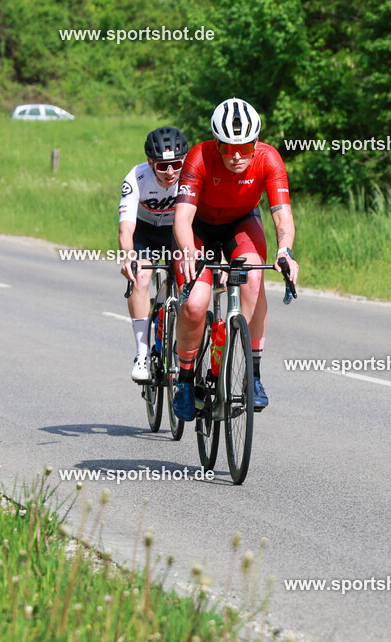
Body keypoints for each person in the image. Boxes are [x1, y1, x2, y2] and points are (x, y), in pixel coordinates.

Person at [171, 98, 299, 420]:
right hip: (198, 229)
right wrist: (188, 251)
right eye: (228, 149)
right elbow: (182, 218)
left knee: (254, 279)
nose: (237, 156)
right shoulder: (198, 158)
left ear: (256, 142)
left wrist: (285, 251)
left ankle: (253, 376)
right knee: (196, 303)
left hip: (241, 224)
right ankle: (185, 378)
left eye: (245, 147)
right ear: (217, 143)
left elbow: (282, 216)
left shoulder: (269, 159)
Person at [118, 126, 190, 382]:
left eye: (176, 164)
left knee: (185, 280)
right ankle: (142, 352)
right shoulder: (136, 177)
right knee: (142, 277)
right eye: (162, 166)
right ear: (151, 163)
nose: (170, 172)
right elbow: (126, 227)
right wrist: (129, 256)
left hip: (175, 231)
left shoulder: (191, 176)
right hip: (145, 232)